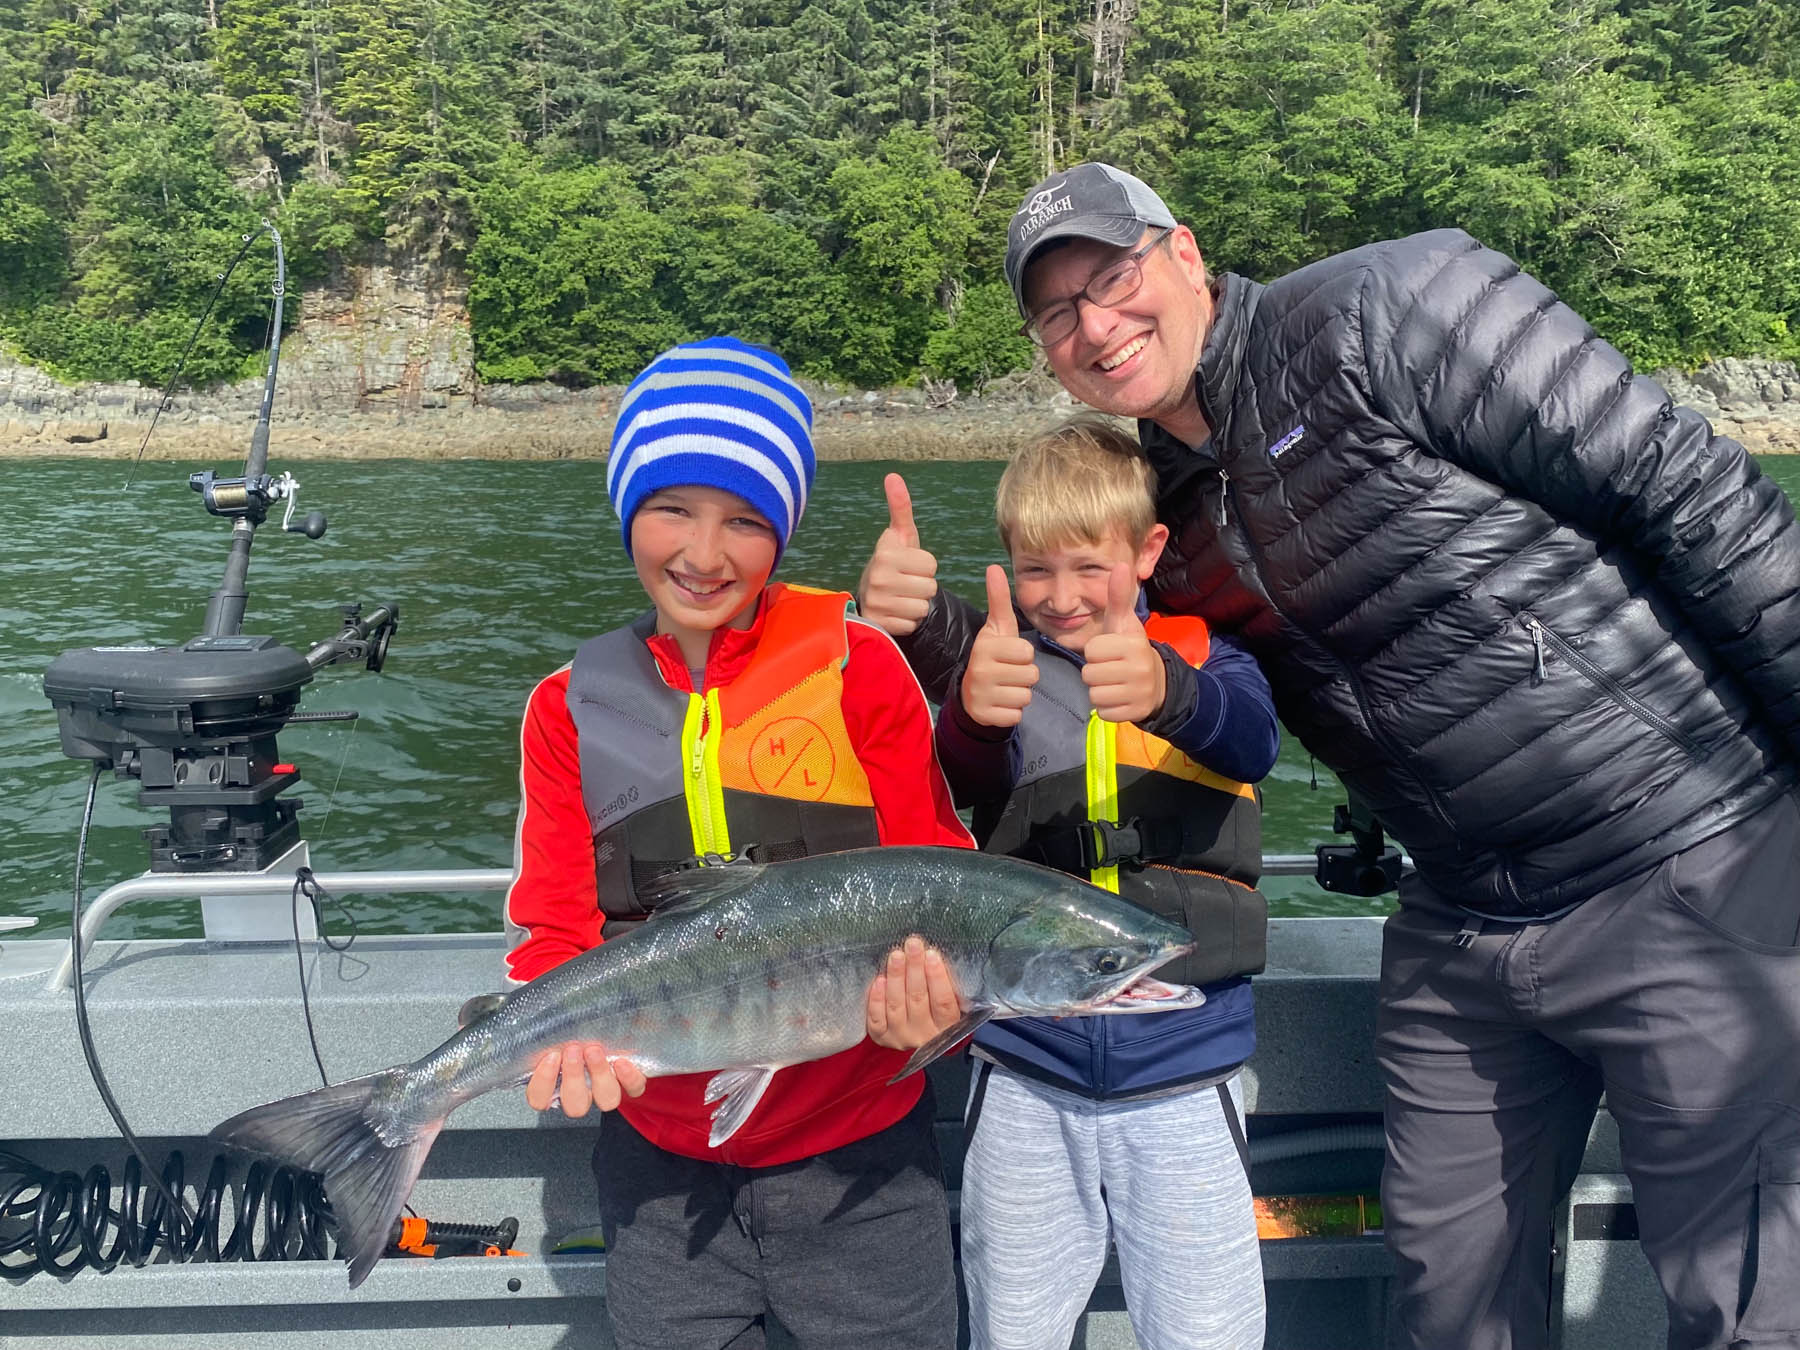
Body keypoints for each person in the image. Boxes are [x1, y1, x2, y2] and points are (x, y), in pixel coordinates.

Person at [860, 162, 1800, 1350]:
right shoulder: (1160, 507)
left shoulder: (1393, 304)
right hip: (1459, 920)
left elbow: (1698, 495)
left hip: (1684, 864)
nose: (1095, 326)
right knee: (1451, 1303)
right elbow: (1075, 645)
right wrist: (930, 626)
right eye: (1056, 313)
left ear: (1185, 254)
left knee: (1747, 1302)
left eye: (1113, 278)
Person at [503, 335, 975, 1350]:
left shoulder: (861, 668)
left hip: (863, 1162)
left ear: (783, 536)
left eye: (747, 521)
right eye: (672, 508)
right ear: (626, 510)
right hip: (658, 1173)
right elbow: (554, 926)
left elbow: (941, 887)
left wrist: (942, 1013)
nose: (705, 554)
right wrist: (562, 1036)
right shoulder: (564, 708)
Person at [932, 416, 1277, 1350]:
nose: (1062, 596)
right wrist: (970, 718)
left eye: (1089, 566)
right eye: (1034, 570)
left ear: (1147, 551)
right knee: (1013, 1326)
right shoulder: (1003, 668)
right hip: (1024, 1067)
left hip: (1185, 1068)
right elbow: (961, 780)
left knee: (1206, 1331)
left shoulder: (1211, 658)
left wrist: (1173, 693)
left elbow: (1254, 742)